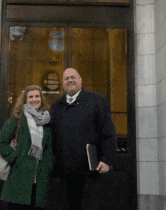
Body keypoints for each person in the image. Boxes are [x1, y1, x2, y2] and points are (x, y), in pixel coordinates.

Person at [50, 68, 117, 210]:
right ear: (62, 83)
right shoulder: (56, 107)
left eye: (73, 77)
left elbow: (108, 133)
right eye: (66, 78)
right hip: (63, 173)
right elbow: (52, 137)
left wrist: (107, 160)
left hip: (90, 173)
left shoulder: (97, 102)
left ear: (80, 80)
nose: (70, 80)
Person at [0, 85, 53, 210]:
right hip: (19, 177)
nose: (34, 99)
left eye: (37, 96)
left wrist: (48, 166)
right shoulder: (17, 119)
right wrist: (15, 157)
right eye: (30, 97)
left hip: (40, 181)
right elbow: (1, 143)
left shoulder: (47, 121)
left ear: (41, 99)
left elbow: (49, 149)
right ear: (25, 100)